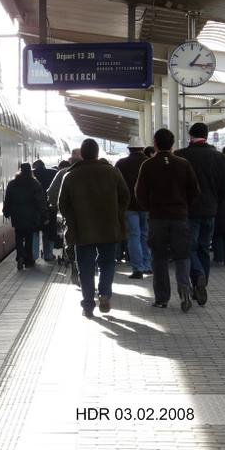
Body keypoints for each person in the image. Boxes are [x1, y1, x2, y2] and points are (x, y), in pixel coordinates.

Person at [59, 139, 129, 317]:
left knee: (85, 267)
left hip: (82, 230)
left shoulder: (71, 175)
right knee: (107, 263)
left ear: (82, 154)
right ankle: (104, 294)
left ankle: (88, 304)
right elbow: (125, 197)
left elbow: (63, 205)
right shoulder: (112, 172)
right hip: (108, 228)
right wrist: (116, 214)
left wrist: (73, 221)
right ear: (98, 153)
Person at [135, 128, 200, 311]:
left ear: (155, 143)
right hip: (180, 217)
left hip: (157, 219)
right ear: (172, 144)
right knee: (182, 255)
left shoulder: (147, 165)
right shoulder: (183, 164)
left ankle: (162, 298)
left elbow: (139, 193)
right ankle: (184, 290)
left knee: (159, 257)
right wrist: (184, 207)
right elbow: (194, 190)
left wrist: (150, 208)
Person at [174, 123, 225, 306]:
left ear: (190, 136)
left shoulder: (182, 155)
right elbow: (224, 187)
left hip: (189, 210)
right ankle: (202, 284)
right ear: (206, 135)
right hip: (211, 209)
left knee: (190, 247)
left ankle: (198, 276)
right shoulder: (219, 157)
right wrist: (216, 204)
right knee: (204, 247)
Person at [115, 136, 152, 278]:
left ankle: (137, 268)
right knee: (145, 235)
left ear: (129, 149)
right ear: (142, 148)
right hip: (146, 206)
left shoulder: (121, 163)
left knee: (134, 236)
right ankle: (147, 265)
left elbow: (117, 185)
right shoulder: (149, 162)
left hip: (129, 206)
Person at [3, 163, 47, 271]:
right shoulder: (35, 184)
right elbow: (40, 201)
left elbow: (7, 199)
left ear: (20, 170)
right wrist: (44, 214)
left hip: (17, 215)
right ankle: (28, 260)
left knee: (18, 236)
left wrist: (6, 211)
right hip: (31, 216)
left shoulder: (12, 184)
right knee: (29, 237)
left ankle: (20, 257)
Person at [33, 159, 58, 262]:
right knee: (49, 232)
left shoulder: (32, 174)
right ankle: (48, 254)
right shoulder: (53, 173)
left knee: (34, 232)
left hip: (35, 210)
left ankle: (34, 256)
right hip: (50, 208)